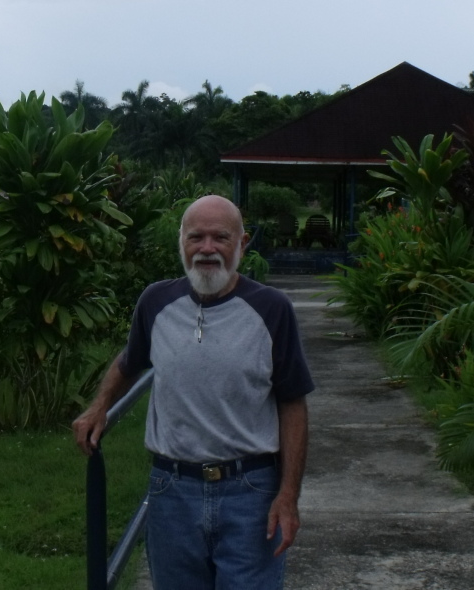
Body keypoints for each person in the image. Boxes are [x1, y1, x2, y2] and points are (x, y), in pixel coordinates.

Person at [73, 194, 314, 589]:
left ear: (242, 243)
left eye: (220, 237)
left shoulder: (272, 309)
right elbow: (130, 361)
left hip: (250, 493)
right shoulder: (155, 301)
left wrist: (288, 496)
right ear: (181, 241)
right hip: (172, 491)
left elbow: (292, 403)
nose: (207, 248)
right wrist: (99, 406)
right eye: (196, 237)